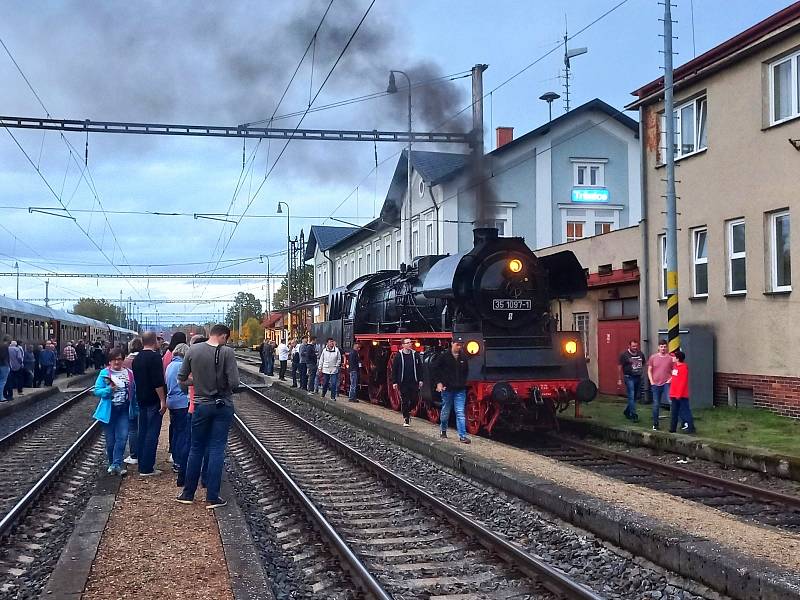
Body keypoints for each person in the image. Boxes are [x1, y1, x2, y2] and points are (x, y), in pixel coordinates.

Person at [176, 324, 239, 509]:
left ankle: (188, 494)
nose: (225, 342)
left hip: (201, 405)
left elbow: (181, 381)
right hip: (223, 405)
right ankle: (212, 497)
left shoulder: (193, 350)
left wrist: (197, 381)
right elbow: (234, 382)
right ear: (222, 336)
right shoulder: (227, 352)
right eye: (226, 338)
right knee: (217, 448)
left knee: (196, 448)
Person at [94, 348, 135, 475]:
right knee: (110, 441)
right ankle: (112, 463)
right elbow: (97, 390)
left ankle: (116, 464)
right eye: (114, 359)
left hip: (124, 409)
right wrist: (109, 390)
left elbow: (134, 391)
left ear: (123, 360)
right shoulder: (104, 373)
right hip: (109, 410)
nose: (116, 362)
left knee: (122, 438)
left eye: (119, 359)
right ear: (110, 361)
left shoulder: (129, 373)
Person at [132, 332, 167, 476]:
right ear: (154, 342)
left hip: (141, 399)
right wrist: (162, 400)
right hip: (153, 400)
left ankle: (142, 464)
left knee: (143, 432)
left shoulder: (137, 358)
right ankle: (147, 468)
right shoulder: (155, 357)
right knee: (152, 434)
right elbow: (157, 382)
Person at [434, 338, 471, 443]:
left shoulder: (463, 357)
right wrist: (439, 382)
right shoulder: (444, 356)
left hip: (460, 389)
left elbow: (466, 372)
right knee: (446, 410)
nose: (459, 347)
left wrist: (463, 383)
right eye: (457, 345)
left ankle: (462, 436)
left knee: (460, 412)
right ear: (452, 344)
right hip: (448, 389)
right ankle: (443, 429)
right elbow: (435, 369)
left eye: (460, 345)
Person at [165, 343, 191, 476]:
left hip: (171, 401)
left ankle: (175, 458)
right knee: (182, 433)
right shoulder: (181, 366)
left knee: (175, 431)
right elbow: (183, 384)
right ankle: (179, 462)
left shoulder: (170, 365)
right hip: (181, 402)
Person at [391, 338, 424, 426]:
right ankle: (406, 418)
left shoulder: (415, 355)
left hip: (413, 381)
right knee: (405, 399)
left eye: (410, 342)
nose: (410, 344)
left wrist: (420, 379)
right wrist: (394, 382)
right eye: (408, 343)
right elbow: (394, 369)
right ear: (403, 345)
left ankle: (409, 410)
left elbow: (420, 368)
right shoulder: (398, 355)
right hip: (403, 381)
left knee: (415, 399)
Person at [122, 337, 142, 465]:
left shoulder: (126, 362)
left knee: (132, 427)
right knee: (144, 426)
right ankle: (144, 452)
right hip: (145, 396)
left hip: (130, 397)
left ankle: (134, 454)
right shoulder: (145, 358)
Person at [647, 340, 673, 431]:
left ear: (667, 347)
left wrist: (670, 380)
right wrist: (651, 381)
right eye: (661, 346)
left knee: (671, 401)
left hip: (666, 384)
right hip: (655, 384)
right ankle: (655, 424)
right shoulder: (653, 357)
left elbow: (674, 371)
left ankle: (674, 423)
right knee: (656, 404)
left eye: (664, 346)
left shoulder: (670, 358)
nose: (663, 348)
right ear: (658, 347)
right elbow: (649, 370)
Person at [618, 340, 645, 422]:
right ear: (629, 346)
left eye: (636, 346)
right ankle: (633, 415)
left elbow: (643, 363)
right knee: (631, 395)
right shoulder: (624, 355)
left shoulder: (640, 354)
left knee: (634, 397)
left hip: (638, 377)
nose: (635, 348)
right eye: (633, 346)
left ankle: (627, 411)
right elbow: (619, 366)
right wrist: (619, 378)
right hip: (629, 377)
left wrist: (642, 373)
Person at [669, 350, 695, 434]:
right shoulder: (675, 366)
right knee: (674, 412)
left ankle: (691, 427)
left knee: (685, 411)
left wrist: (678, 394)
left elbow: (682, 382)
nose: (672, 358)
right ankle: (672, 428)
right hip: (674, 393)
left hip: (682, 395)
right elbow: (674, 380)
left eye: (674, 357)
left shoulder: (683, 368)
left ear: (678, 358)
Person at [0, 336, 11, 402]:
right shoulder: (5, 347)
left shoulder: (1, 346)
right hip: (4, 366)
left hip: (1, 365)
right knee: (2, 382)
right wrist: (7, 364)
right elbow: (3, 356)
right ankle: (1, 397)